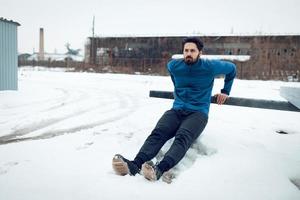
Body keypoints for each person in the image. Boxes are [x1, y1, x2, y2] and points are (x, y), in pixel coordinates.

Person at [112, 37, 236, 182]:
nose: (189, 53)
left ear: (200, 53)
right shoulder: (174, 66)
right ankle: (135, 165)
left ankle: (159, 169)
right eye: (186, 50)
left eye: (192, 51)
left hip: (198, 113)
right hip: (177, 110)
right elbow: (175, 81)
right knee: (158, 133)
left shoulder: (210, 66)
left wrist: (225, 91)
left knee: (182, 137)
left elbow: (232, 69)